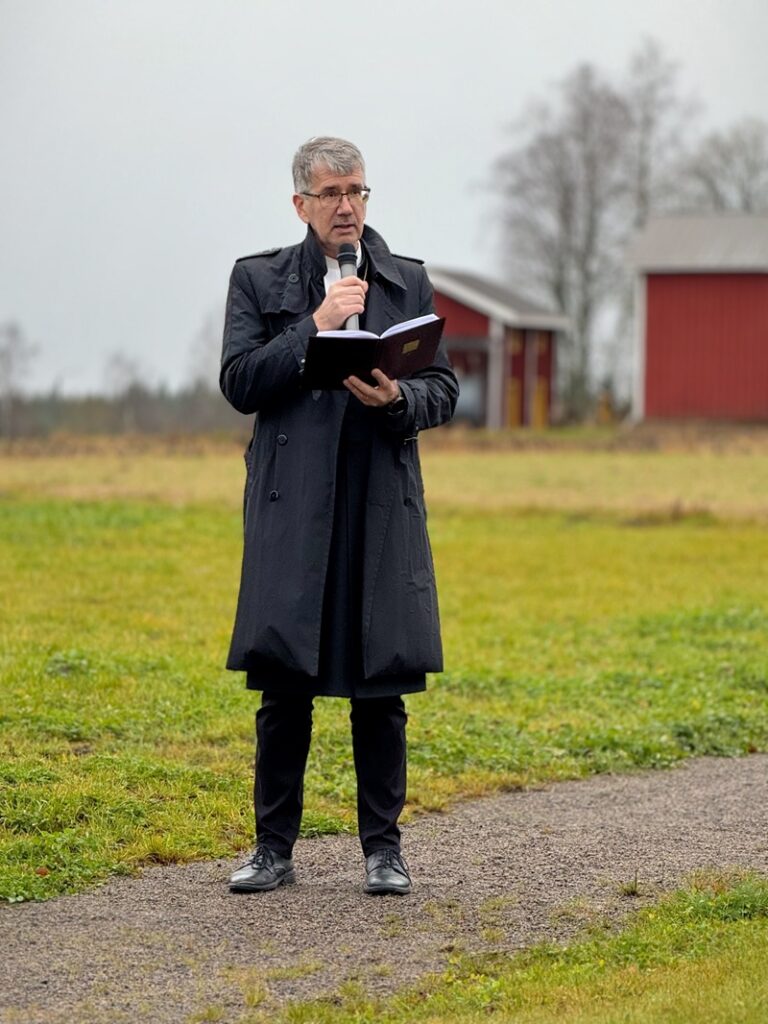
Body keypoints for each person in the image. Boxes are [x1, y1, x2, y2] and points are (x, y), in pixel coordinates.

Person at [220, 136, 458, 896]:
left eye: (356, 191)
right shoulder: (257, 279)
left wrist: (400, 401)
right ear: (301, 204)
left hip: (378, 502)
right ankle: (272, 850)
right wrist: (314, 326)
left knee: (380, 688)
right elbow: (238, 381)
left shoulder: (407, 280)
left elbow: (444, 388)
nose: (347, 205)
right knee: (284, 686)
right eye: (330, 194)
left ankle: (383, 852)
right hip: (294, 505)